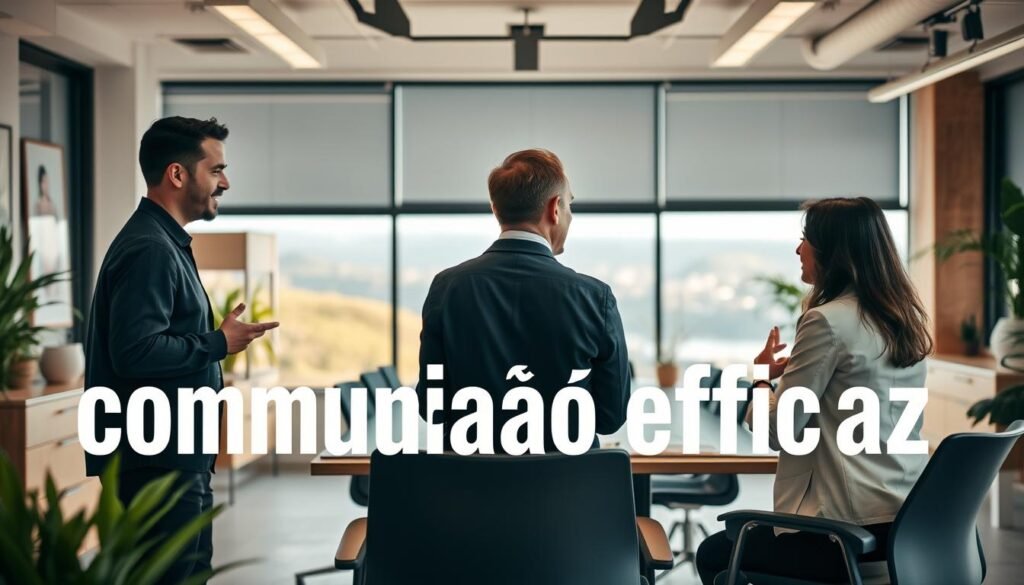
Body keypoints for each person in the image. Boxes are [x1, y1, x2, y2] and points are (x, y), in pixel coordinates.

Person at [696, 197, 933, 583]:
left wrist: (762, 378)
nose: (798, 249)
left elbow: (778, 431)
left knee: (714, 555)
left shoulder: (827, 321)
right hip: (905, 526)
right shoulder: (901, 321)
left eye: (805, 238)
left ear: (832, 250)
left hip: (842, 535)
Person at [84, 116, 279, 584]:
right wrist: (218, 342)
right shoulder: (151, 249)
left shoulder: (161, 241)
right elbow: (135, 351)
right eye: (216, 170)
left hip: (169, 457)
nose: (225, 183)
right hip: (159, 463)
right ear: (177, 173)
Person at [414, 148, 630, 453]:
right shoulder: (595, 298)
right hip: (569, 482)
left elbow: (432, 407)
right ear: (554, 209)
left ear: (496, 209)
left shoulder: (446, 289)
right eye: (569, 204)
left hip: (470, 481)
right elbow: (610, 418)